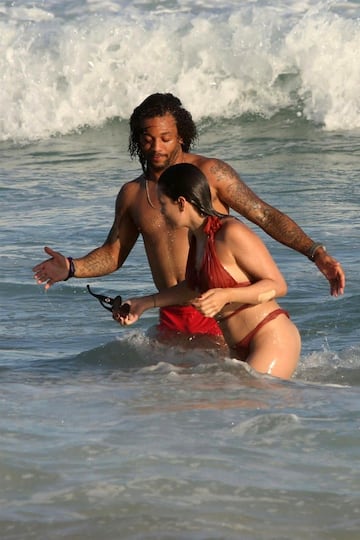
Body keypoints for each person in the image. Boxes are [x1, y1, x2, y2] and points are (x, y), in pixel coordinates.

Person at [33, 93, 345, 340]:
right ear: (136, 139)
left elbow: (263, 214)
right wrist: (72, 268)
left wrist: (316, 253)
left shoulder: (211, 174)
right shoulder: (132, 194)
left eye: (166, 138)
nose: (156, 147)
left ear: (182, 136)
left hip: (220, 312)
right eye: (148, 139)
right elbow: (114, 254)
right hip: (171, 314)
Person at [114, 163, 301, 379]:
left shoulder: (230, 232)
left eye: (163, 204)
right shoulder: (197, 237)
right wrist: (144, 303)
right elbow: (193, 288)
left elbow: (278, 285)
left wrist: (227, 295)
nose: (162, 212)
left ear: (181, 203)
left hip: (270, 337)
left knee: (249, 402)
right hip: (237, 346)